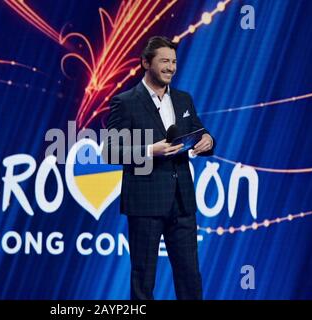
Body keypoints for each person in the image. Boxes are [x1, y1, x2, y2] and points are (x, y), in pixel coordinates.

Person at [103, 36, 215, 300]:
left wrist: (208, 140)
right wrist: (149, 151)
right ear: (146, 63)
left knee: (190, 277)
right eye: (164, 60)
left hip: (182, 201)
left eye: (174, 62)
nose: (171, 67)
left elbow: (199, 132)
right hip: (145, 202)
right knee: (143, 279)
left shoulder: (183, 99)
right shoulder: (126, 101)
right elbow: (110, 151)